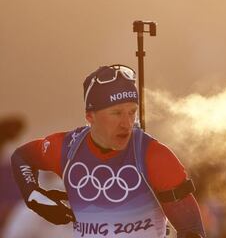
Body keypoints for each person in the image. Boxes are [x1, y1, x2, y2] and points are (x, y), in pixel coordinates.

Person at [11, 64, 205, 238]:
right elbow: (22, 157)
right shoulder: (67, 147)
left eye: (131, 112)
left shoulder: (154, 155)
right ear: (90, 116)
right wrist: (33, 196)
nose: (126, 123)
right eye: (116, 113)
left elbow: (192, 230)